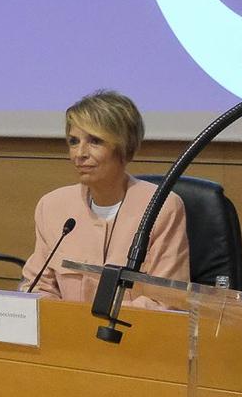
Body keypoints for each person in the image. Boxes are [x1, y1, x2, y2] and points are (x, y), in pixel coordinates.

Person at [22, 89, 188, 302]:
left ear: (124, 146)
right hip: (67, 332)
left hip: (132, 332)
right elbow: (37, 288)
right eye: (73, 141)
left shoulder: (162, 206)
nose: (79, 154)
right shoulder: (52, 206)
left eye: (95, 141)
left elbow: (165, 301)